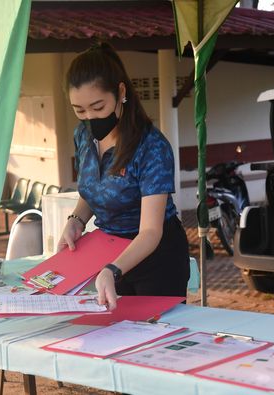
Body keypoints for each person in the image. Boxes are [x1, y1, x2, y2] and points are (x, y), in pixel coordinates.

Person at [57, 42, 190, 310]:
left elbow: (151, 231)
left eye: (98, 107)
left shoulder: (152, 147)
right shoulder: (83, 136)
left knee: (151, 342)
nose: (90, 118)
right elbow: (93, 190)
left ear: (120, 92)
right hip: (108, 250)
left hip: (155, 257)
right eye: (79, 110)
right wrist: (76, 219)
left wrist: (113, 270)